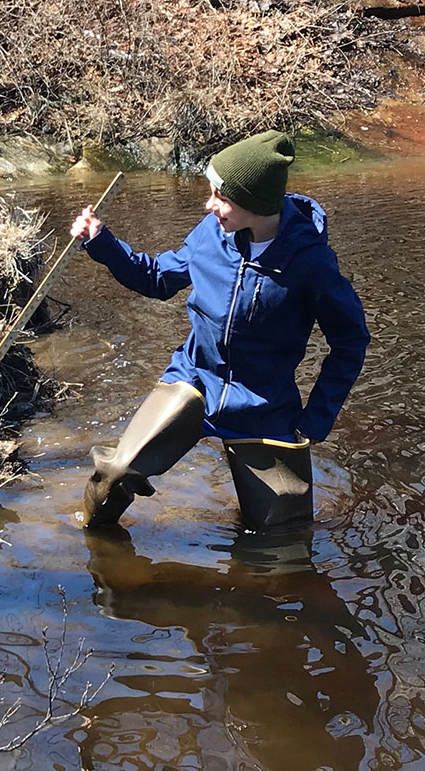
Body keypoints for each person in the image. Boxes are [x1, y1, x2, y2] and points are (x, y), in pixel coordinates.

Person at [70, 132, 369, 532]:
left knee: (283, 538)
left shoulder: (311, 263)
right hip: (195, 381)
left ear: (256, 202)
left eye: (221, 196)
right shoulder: (212, 234)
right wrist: (100, 242)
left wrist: (316, 419)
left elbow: (350, 341)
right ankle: (85, 535)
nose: (209, 204)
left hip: (264, 405)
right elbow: (158, 278)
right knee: (118, 472)